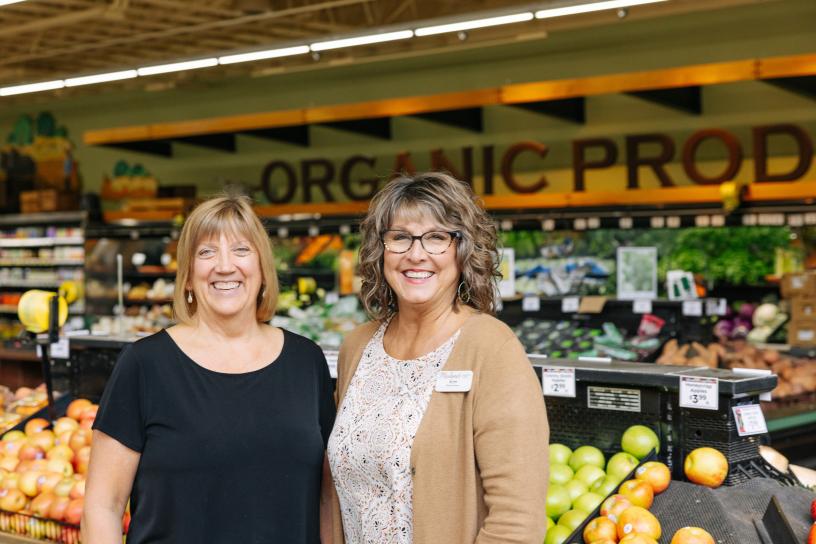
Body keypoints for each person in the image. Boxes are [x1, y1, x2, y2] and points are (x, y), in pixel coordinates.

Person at [83, 193, 335, 544]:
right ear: (187, 277)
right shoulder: (145, 364)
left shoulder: (306, 362)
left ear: (262, 269)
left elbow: (326, 498)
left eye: (241, 250)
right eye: (206, 252)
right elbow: (102, 507)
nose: (225, 265)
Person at [327, 172, 549, 544]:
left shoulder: (491, 348)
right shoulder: (357, 347)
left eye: (436, 238)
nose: (417, 254)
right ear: (380, 251)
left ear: (462, 250)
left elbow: (516, 523)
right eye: (400, 238)